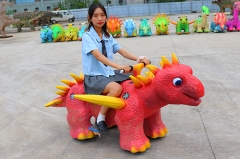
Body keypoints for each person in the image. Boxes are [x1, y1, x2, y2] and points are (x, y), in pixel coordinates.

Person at [81, 3, 150, 131]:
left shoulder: (107, 35)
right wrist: (118, 66)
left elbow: (122, 51)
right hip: (94, 77)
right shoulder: (87, 36)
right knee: (116, 89)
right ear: (90, 18)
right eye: (95, 16)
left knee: (134, 80)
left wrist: (139, 59)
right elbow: (98, 55)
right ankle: (100, 118)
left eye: (102, 15)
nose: (100, 19)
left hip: (108, 73)